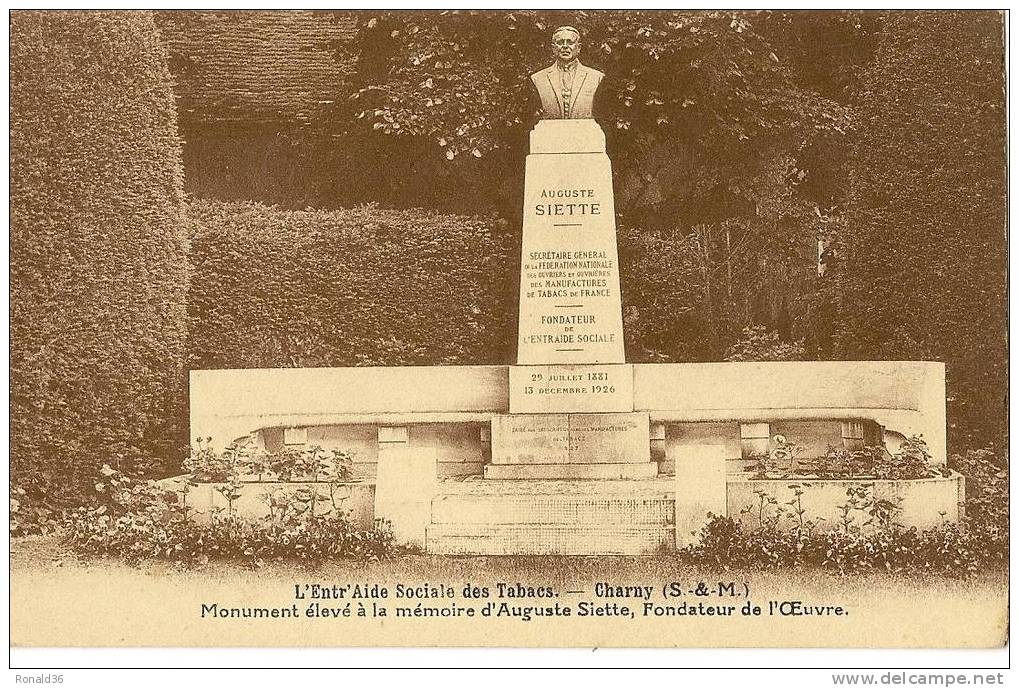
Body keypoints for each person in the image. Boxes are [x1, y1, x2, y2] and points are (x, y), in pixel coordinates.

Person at [529, 25, 604, 120]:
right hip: (550, 132)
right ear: (553, 48)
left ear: (578, 47)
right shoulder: (538, 78)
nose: (565, 46)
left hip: (585, 132)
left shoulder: (596, 77)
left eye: (570, 42)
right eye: (560, 42)